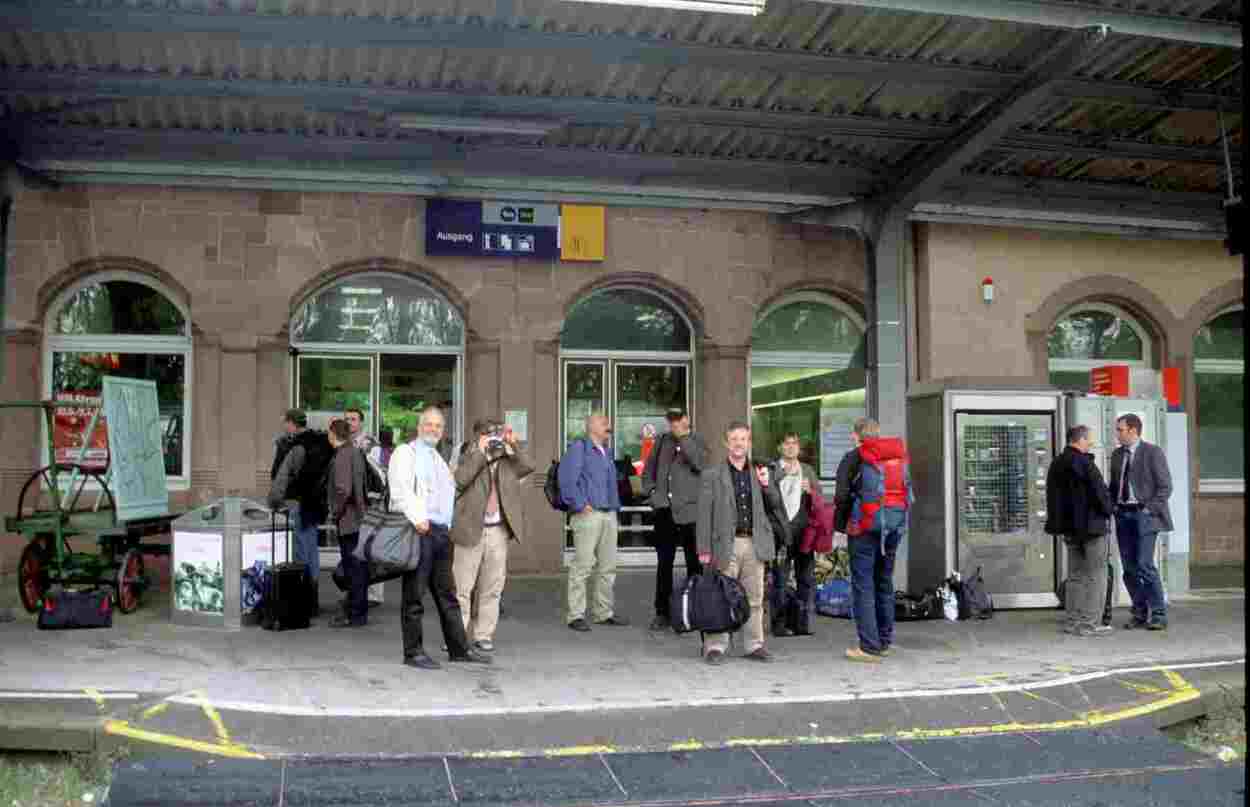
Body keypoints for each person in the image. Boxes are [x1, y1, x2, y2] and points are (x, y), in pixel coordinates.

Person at [389, 405, 489, 669]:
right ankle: (413, 652)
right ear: (419, 426)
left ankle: (459, 649)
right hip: (420, 530)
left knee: (447, 594)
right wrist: (418, 518)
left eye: (438, 426)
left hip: (441, 533)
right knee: (414, 595)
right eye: (429, 424)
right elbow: (399, 490)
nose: (433, 429)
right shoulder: (405, 453)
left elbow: (451, 490)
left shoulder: (437, 457)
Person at [695, 420, 783, 664]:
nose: (738, 444)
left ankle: (754, 644)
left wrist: (766, 484)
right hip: (725, 544)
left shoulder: (759, 472)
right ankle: (715, 646)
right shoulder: (712, 475)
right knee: (719, 596)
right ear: (726, 443)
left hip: (753, 543)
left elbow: (775, 504)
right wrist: (703, 549)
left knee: (755, 598)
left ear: (749, 443)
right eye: (733, 439)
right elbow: (703, 515)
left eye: (742, 439)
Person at [451, 417, 533, 653]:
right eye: (490, 434)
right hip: (469, 528)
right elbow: (459, 480)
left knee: (492, 587)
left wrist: (514, 444)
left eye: (498, 433)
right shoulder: (467, 453)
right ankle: (456, 635)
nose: (495, 439)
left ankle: (483, 635)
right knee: (462, 589)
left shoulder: (508, 459)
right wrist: (481, 453)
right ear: (478, 436)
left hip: (498, 530)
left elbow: (528, 465)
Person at [836, 417, 912, 663]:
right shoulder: (895, 457)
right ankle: (884, 640)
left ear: (855, 435)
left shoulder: (853, 458)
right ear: (878, 434)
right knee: (884, 582)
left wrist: (842, 522)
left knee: (863, 585)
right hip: (891, 527)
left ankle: (868, 646)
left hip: (864, 528)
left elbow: (841, 496)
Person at [559, 412, 630, 632]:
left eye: (608, 423)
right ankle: (575, 615)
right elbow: (566, 479)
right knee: (582, 566)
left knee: (608, 566)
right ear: (590, 426)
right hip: (588, 515)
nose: (608, 426)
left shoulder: (605, 452)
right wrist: (580, 505)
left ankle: (603, 612)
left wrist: (614, 509)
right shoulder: (579, 448)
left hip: (608, 514)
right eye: (603, 422)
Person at [641, 407, 706, 632]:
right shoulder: (661, 441)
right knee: (664, 564)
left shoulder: (698, 440)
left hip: (690, 513)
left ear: (687, 420)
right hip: (665, 511)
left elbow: (700, 464)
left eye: (678, 419)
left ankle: (696, 611)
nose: (674, 424)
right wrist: (652, 493)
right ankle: (662, 612)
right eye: (671, 420)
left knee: (694, 565)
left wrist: (683, 438)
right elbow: (648, 470)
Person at [1045, 424, 1113, 637]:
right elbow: (1100, 494)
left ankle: (1072, 621)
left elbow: (1052, 497)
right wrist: (1109, 511)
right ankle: (1089, 624)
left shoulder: (1056, 463)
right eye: (1089, 439)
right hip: (1092, 528)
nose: (1091, 443)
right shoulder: (1085, 463)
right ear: (1080, 439)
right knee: (1096, 576)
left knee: (1075, 576)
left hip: (1069, 530)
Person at [1108, 413, 1173, 631]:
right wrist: (1112, 508)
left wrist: (1148, 509)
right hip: (1123, 515)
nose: (1117, 434)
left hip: (1145, 516)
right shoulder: (1117, 455)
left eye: (1120, 429)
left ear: (1133, 430)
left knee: (1145, 565)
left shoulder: (1152, 452)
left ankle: (1159, 613)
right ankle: (1139, 612)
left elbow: (1165, 487)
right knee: (1129, 568)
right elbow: (1114, 486)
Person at [268, 408, 333, 617]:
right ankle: (313, 600)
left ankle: (304, 601)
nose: (283, 426)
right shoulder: (321, 442)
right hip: (316, 504)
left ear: (291, 423)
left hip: (297, 502)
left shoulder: (295, 446)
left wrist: (274, 501)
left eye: (285, 422)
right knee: (312, 549)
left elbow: (283, 476)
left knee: (300, 551)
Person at [768, 433, 819, 637]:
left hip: (804, 532)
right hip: (781, 531)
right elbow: (766, 495)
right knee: (780, 579)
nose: (791, 447)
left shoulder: (807, 470)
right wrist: (781, 475)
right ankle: (779, 624)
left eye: (794, 443)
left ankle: (802, 623)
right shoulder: (773, 469)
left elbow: (819, 498)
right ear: (780, 447)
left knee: (805, 578)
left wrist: (811, 491)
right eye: (786, 443)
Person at [326, 419, 368, 628]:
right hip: (359, 517)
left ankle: (354, 614)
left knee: (353, 569)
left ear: (333, 434)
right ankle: (358, 612)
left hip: (348, 519)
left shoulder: (342, 455)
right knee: (357, 568)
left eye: (329, 433)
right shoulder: (355, 452)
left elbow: (343, 489)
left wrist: (336, 512)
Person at [344, 407, 385, 608]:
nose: (349, 422)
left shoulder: (371, 443)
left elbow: (376, 472)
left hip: (370, 500)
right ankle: (356, 589)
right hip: (352, 501)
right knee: (355, 547)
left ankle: (374, 593)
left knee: (370, 544)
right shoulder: (344, 442)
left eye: (353, 419)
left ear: (361, 422)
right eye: (346, 419)